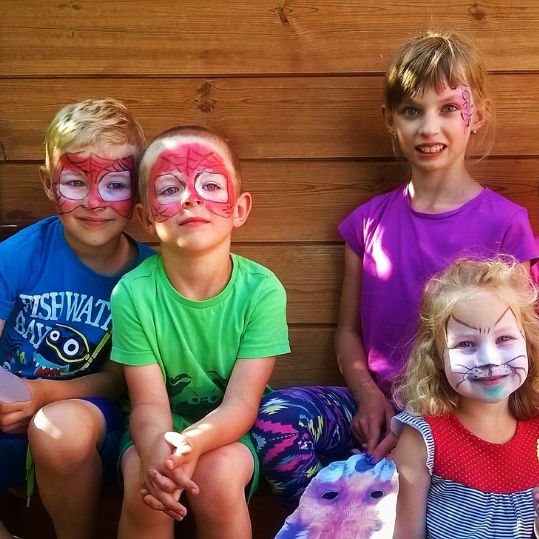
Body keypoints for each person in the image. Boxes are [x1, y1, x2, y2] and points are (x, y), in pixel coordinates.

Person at [251, 30, 538, 509]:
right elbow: (348, 334)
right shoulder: (367, 223)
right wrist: (368, 397)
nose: (429, 128)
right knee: (278, 419)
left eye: (449, 108)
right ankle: (348, 513)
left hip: (467, 413)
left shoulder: (507, 225)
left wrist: (426, 428)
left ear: (477, 115)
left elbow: (523, 347)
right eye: (412, 111)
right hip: (376, 408)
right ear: (390, 120)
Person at [110, 125, 290, 539]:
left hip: (229, 429)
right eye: (170, 189)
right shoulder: (133, 294)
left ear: (240, 209)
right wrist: (162, 453)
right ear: (144, 215)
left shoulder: (262, 291)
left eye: (210, 184)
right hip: (153, 427)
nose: (190, 197)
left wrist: (192, 444)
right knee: (146, 478)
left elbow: (242, 404)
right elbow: (149, 404)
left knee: (218, 474)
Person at [0, 97, 153, 539]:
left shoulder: (145, 277)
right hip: (7, 422)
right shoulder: (17, 257)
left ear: (138, 189)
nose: (93, 202)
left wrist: (44, 393)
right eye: (74, 182)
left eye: (115, 185)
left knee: (59, 428)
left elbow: (119, 378)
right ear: (50, 184)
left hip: (86, 424)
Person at [392, 257, 539, 538]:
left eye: (504, 339)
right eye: (466, 344)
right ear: (436, 358)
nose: (489, 359)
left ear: (529, 344)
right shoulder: (423, 439)